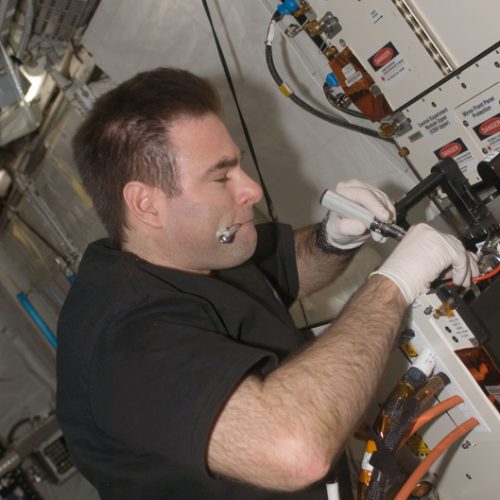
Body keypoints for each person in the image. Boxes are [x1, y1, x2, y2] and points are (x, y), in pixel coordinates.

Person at [56, 67, 477, 500]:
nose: (251, 190)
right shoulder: (121, 344)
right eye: (222, 177)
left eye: (238, 165)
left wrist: (332, 238)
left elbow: (284, 270)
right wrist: (394, 283)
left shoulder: (198, 249)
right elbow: (294, 449)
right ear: (146, 204)